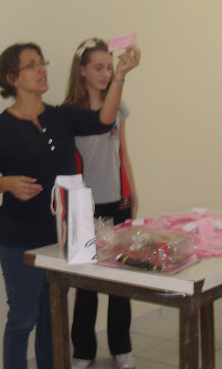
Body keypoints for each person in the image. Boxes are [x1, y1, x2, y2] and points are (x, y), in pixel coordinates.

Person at [0, 41, 141, 369]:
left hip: (63, 236)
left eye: (42, 62)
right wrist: (6, 183)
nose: (42, 69)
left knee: (52, 319)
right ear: (12, 78)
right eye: (32, 65)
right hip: (20, 240)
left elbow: (105, 119)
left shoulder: (61, 116)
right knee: (23, 319)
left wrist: (120, 75)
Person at [64, 38, 138, 369]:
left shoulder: (118, 107)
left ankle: (122, 347)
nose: (105, 73)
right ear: (82, 71)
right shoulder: (70, 113)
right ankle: (83, 351)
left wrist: (132, 191)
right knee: (87, 285)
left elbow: (123, 152)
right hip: (86, 208)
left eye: (109, 67)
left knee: (120, 281)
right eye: (98, 68)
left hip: (117, 203)